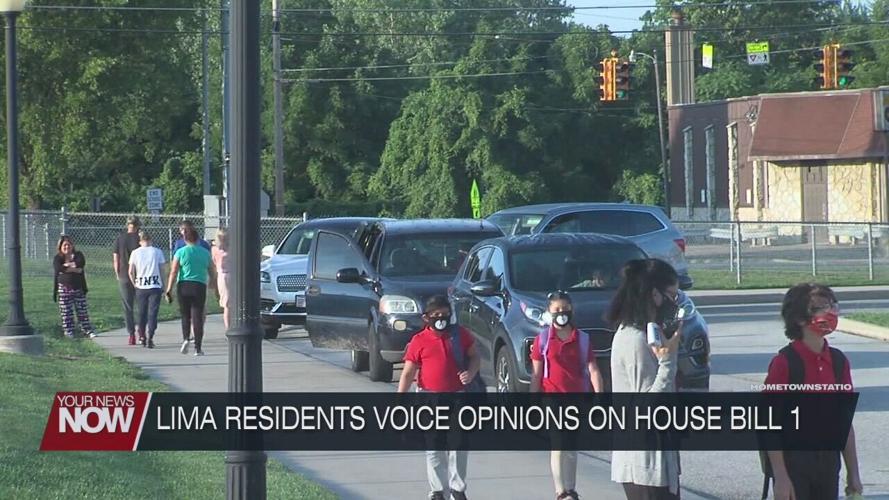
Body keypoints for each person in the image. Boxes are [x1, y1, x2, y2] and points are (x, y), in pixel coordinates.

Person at [763, 284, 863, 500]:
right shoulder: (785, 363)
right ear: (800, 319)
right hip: (794, 462)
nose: (830, 313)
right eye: (821, 308)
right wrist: (780, 477)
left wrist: (853, 472)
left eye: (832, 306)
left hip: (828, 461)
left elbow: (844, 422)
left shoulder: (838, 362)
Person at [607, 258, 683, 500]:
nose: (675, 304)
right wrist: (669, 358)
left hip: (653, 454)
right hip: (643, 460)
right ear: (654, 294)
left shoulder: (646, 332)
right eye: (672, 296)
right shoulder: (634, 339)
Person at [398, 295, 479, 500]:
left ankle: (457, 488)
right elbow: (408, 372)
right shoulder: (419, 341)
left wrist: (470, 372)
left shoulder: (460, 335)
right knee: (434, 444)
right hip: (429, 397)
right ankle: (437, 490)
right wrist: (401, 399)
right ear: (426, 318)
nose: (441, 319)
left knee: (459, 442)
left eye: (445, 314)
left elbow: (475, 356)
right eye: (436, 315)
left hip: (458, 396)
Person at [530, 291, 604, 500]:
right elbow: (536, 374)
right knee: (559, 443)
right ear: (549, 313)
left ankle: (571, 488)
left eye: (565, 310)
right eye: (557, 310)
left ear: (572, 310)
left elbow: (593, 369)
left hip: (576, 397)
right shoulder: (542, 340)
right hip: (552, 397)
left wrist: (600, 397)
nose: (562, 314)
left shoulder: (582, 339)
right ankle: (560, 490)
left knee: (571, 444)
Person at [165, 225, 216, 356]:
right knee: (197, 316)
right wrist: (213, 284)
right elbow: (212, 271)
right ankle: (198, 348)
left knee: (185, 315)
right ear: (197, 239)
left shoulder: (180, 252)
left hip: (183, 285)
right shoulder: (205, 253)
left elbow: (174, 271)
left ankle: (186, 339)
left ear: (185, 239)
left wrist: (169, 289)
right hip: (199, 286)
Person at [128, 230, 166, 348]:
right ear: (151, 239)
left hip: (141, 286)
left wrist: (135, 282)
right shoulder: (157, 252)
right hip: (155, 285)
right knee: (153, 313)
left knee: (142, 312)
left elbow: (131, 271)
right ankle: (151, 335)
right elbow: (162, 270)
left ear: (140, 241)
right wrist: (163, 284)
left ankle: (142, 335)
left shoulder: (135, 253)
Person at [53, 236, 96, 339]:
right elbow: (58, 268)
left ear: (72, 246)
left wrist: (67, 267)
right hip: (64, 288)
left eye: (69, 244)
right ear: (60, 247)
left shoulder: (78, 255)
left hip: (78, 287)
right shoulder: (58, 258)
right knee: (66, 313)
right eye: (64, 245)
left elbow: (81, 263)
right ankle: (69, 332)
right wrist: (75, 269)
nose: (67, 247)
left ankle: (87, 330)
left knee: (82, 311)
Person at [112, 215, 141, 343]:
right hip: (140, 275)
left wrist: (117, 273)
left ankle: (131, 334)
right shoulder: (140, 238)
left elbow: (116, 258)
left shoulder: (120, 239)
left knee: (128, 306)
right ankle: (142, 331)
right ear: (138, 225)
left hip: (124, 274)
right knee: (141, 305)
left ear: (127, 225)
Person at [212, 228, 231, 329]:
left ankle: (232, 325)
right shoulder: (216, 249)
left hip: (231, 275)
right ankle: (228, 328)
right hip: (224, 276)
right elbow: (215, 263)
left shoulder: (232, 248)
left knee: (232, 303)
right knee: (227, 303)